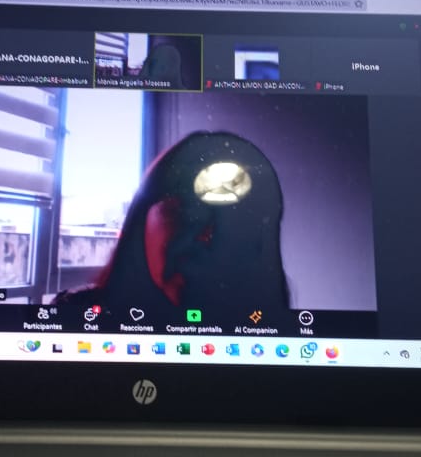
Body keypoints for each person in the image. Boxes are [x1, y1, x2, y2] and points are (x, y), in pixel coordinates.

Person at [55, 130, 289, 319]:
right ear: (141, 221)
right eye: (183, 213)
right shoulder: (75, 314)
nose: (205, 236)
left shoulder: (265, 326)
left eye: (233, 222)